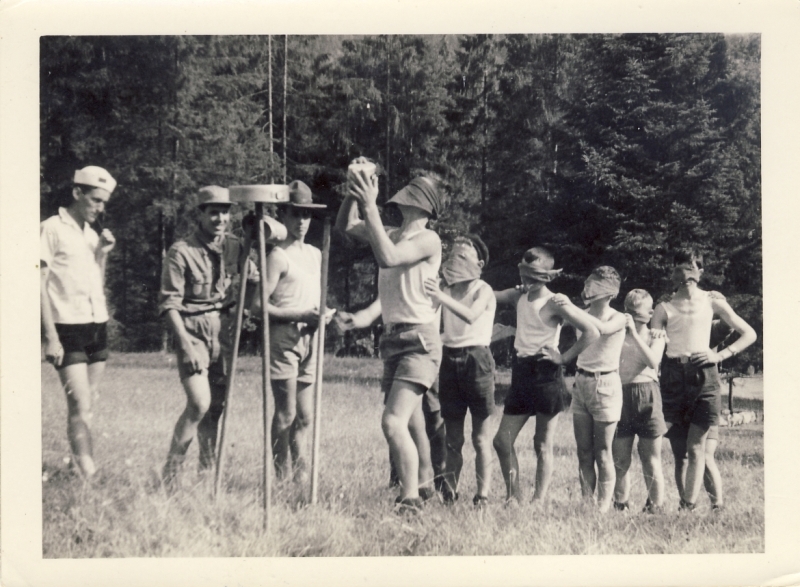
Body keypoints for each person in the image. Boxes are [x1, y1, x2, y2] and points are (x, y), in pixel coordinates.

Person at [337, 159, 444, 513]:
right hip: (394, 339)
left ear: (420, 202)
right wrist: (355, 189)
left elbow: (388, 258)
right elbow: (347, 225)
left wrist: (369, 203)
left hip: (420, 341)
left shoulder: (428, 238)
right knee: (411, 423)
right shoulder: (393, 232)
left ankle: (409, 498)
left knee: (393, 421)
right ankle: (425, 484)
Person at [159, 186, 280, 488]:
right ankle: (170, 476)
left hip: (225, 332)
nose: (219, 218)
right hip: (193, 331)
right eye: (213, 212)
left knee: (216, 409)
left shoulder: (236, 246)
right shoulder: (181, 252)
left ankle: (206, 475)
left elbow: (254, 276)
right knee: (199, 404)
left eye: (225, 212)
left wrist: (244, 308)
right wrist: (185, 347)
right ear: (200, 214)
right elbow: (169, 305)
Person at [492, 247, 600, 506]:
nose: (528, 280)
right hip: (521, 373)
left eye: (535, 276)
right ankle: (513, 496)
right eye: (525, 274)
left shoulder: (555, 302)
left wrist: (563, 358)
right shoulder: (519, 295)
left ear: (548, 276)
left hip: (546, 374)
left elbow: (591, 331)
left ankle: (539, 500)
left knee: (542, 443)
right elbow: (490, 295)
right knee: (501, 441)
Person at [651, 249, 757, 511]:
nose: (686, 274)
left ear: (700, 271)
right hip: (673, 378)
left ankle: (687, 507)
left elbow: (749, 333)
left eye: (692, 268)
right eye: (680, 268)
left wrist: (718, 354)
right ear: (672, 272)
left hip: (704, 377)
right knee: (680, 453)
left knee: (696, 447)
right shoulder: (663, 308)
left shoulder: (713, 302)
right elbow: (653, 347)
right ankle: (697, 502)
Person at [41, 165, 117, 479]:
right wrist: (50, 336)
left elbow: (95, 285)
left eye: (104, 203)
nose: (100, 208)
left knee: (88, 404)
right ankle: (88, 474)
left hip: (95, 325)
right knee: (80, 405)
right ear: (77, 193)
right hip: (66, 328)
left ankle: (77, 465)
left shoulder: (91, 234)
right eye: (96, 200)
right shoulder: (51, 228)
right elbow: (38, 283)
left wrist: (103, 254)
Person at [257, 180, 331, 485]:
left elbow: (316, 297)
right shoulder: (277, 255)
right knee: (285, 415)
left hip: (311, 339)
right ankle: (281, 476)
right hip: (283, 338)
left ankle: (301, 479)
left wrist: (324, 315)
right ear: (284, 215)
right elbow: (258, 307)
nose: (302, 222)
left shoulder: (315, 254)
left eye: (307, 215)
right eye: (295, 214)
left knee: (305, 417)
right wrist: (299, 315)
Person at [335, 300, 445, 497]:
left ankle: (423, 487)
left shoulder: (430, 276)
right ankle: (420, 481)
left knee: (414, 420)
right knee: (413, 417)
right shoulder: (398, 278)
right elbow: (383, 303)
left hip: (423, 347)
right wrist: (358, 319)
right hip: (397, 344)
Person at [423, 234, 496, 507]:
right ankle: (450, 494)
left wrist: (440, 295)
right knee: (453, 437)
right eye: (453, 255)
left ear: (479, 263)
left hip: (477, 360)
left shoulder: (483, 289)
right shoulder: (446, 288)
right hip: (449, 359)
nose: (455, 260)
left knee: (480, 438)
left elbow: (471, 315)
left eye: (463, 256)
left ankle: (483, 494)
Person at [552, 266, 626, 513]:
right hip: (581, 383)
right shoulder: (580, 312)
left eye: (593, 285)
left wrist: (570, 307)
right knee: (584, 452)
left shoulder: (619, 318)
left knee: (603, 452)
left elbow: (600, 330)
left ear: (609, 293)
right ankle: (587, 503)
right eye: (587, 283)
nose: (586, 289)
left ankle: (603, 508)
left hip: (606, 385)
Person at [611, 289, 667, 514]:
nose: (632, 317)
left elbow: (653, 361)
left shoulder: (656, 336)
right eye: (628, 312)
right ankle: (620, 504)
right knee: (620, 459)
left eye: (637, 313)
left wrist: (634, 333)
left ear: (650, 313)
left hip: (647, 394)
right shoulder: (617, 335)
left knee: (650, 458)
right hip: (620, 394)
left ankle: (656, 505)